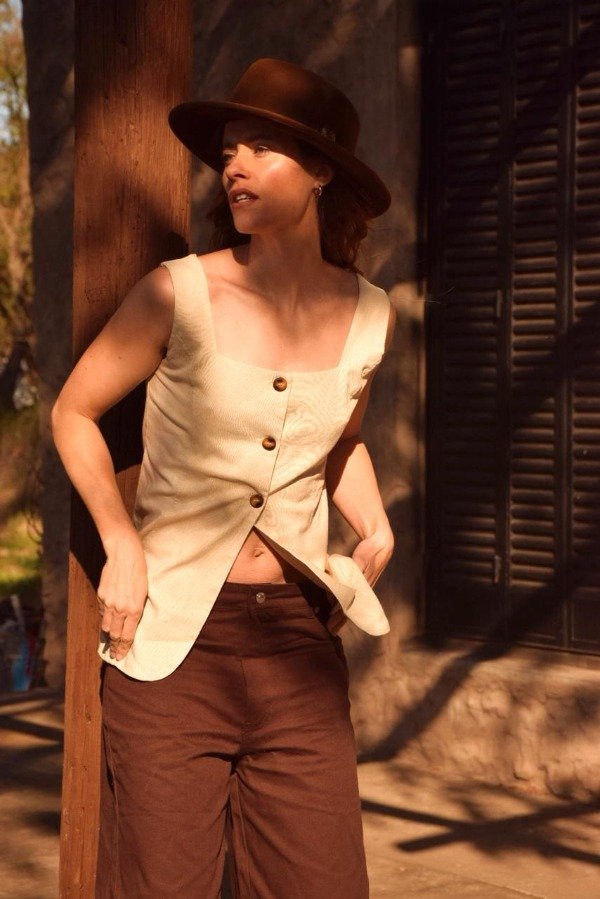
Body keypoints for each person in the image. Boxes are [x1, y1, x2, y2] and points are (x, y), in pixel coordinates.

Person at [52, 57, 396, 899]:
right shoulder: (179, 292)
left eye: (262, 149)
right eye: (230, 150)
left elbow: (341, 438)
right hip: (173, 646)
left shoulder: (370, 312)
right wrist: (120, 540)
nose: (235, 165)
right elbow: (72, 411)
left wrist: (377, 522)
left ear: (320, 173)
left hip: (298, 643)